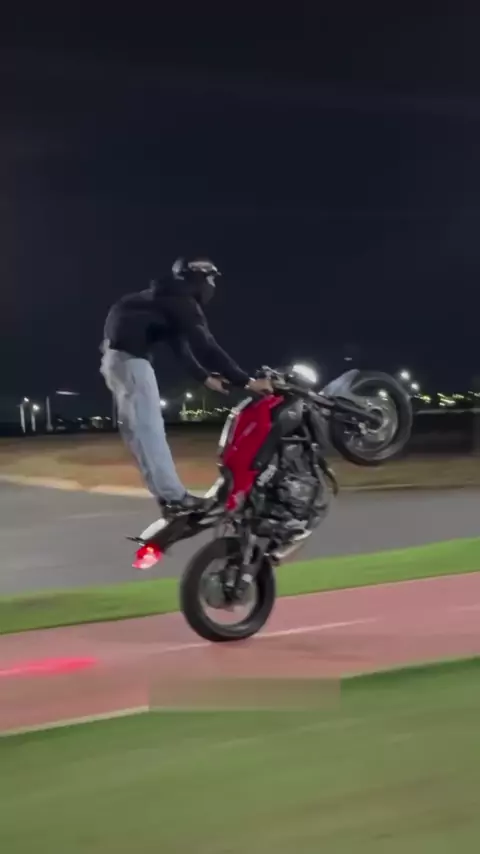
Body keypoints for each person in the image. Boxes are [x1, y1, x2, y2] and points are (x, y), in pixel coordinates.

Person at [100, 257, 272, 513]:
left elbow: (181, 350)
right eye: (211, 279)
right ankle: (175, 498)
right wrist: (247, 381)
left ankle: (166, 496)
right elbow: (206, 346)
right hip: (130, 360)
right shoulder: (181, 299)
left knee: (140, 433)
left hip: (116, 359)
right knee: (149, 431)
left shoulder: (164, 297)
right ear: (199, 277)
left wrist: (206, 378)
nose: (213, 285)